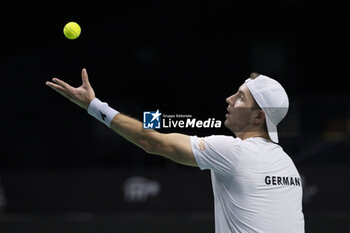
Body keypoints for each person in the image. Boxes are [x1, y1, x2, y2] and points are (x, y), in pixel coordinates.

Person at [46, 69, 304, 233]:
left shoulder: (233, 152)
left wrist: (93, 105)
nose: (229, 99)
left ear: (258, 117)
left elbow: (154, 142)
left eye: (240, 97)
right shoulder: (287, 164)